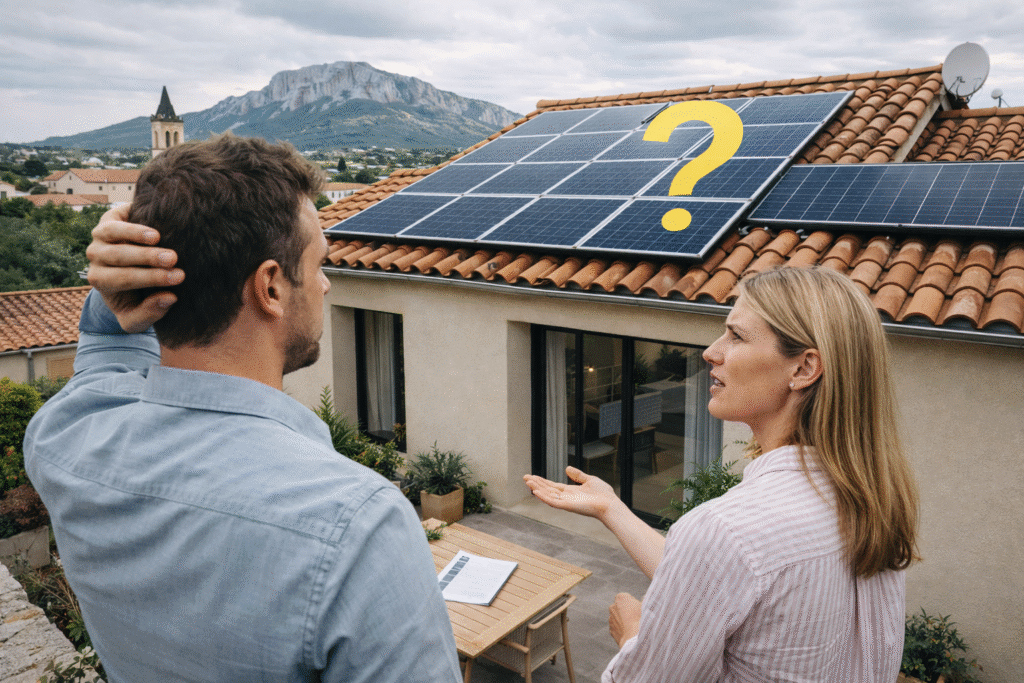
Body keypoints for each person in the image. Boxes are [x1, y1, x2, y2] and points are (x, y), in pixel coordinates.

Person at [23, 134, 461, 682]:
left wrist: (119, 273)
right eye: (319, 263)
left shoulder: (65, 437)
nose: (326, 285)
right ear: (270, 287)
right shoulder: (358, 529)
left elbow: (105, 346)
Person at [525, 265, 919, 682]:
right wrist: (612, 508)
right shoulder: (869, 504)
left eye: (737, 336)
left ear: (803, 369)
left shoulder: (728, 529)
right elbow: (721, 582)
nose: (711, 351)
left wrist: (633, 637)